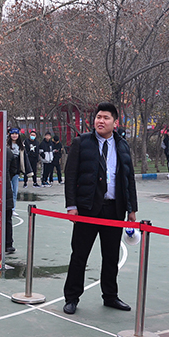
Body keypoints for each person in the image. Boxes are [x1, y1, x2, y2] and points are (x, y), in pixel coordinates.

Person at [63, 103, 137, 314]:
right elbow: (70, 175)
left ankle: (110, 296)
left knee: (111, 256)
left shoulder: (122, 145)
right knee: (79, 255)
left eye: (106, 118)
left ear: (115, 122)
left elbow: (129, 178)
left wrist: (131, 208)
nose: (100, 121)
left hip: (115, 209)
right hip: (87, 208)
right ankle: (72, 297)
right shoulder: (82, 142)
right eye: (98, 117)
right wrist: (71, 206)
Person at [7, 129, 25, 209]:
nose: (14, 135)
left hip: (16, 171)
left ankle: (13, 208)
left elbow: (24, 159)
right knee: (9, 191)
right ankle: (8, 208)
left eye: (16, 134)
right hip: (7, 171)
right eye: (12, 134)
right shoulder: (6, 145)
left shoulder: (21, 146)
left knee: (15, 191)